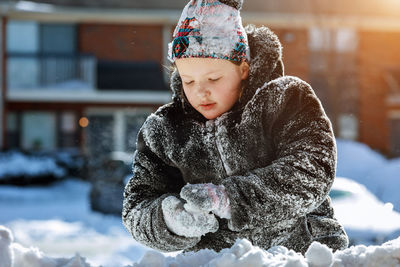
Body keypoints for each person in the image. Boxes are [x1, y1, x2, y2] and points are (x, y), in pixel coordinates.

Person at [122, 0, 349, 254]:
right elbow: (137, 204)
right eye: (188, 80)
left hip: (304, 253)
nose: (201, 91)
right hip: (221, 260)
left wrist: (230, 199)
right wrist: (170, 220)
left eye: (214, 78)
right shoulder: (165, 131)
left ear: (243, 68)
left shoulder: (286, 100)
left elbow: (312, 170)